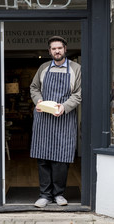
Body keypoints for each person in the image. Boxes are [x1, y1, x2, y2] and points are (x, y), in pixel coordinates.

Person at [30, 36, 82, 208]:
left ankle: (59, 194)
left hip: (64, 118)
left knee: (61, 159)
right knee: (43, 157)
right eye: (53, 49)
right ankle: (44, 195)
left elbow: (78, 93)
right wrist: (38, 101)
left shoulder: (76, 68)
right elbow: (34, 88)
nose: (57, 51)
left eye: (59, 48)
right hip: (43, 118)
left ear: (65, 49)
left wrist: (64, 107)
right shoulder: (43, 68)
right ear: (49, 51)